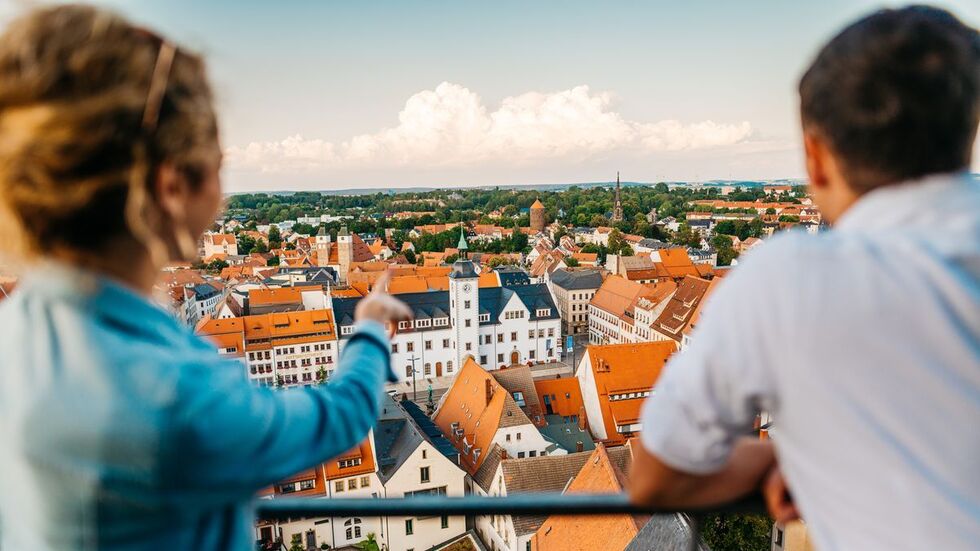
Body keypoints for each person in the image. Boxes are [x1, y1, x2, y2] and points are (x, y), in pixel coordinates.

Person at [0, 5, 412, 551]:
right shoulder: (174, 391)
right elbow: (335, 419)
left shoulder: (16, 334)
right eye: (219, 163)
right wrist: (366, 331)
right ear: (171, 188)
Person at [630, 6, 979, 550]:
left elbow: (655, 476)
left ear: (815, 158)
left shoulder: (790, 278)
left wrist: (790, 455)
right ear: (969, 128)